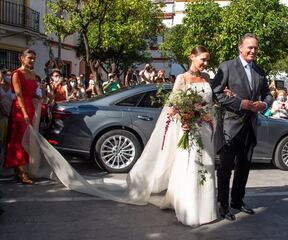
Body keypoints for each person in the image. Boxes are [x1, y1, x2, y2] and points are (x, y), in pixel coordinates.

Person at [22, 45, 223, 227]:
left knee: (205, 166)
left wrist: (209, 113)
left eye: (207, 60)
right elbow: (172, 106)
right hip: (188, 129)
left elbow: (209, 104)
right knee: (189, 166)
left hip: (204, 129)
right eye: (202, 59)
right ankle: (190, 209)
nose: (205, 63)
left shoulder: (206, 79)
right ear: (192, 57)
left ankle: (205, 209)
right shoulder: (182, 79)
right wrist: (184, 119)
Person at [211, 33, 273, 221]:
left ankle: (237, 201)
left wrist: (264, 104)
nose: (253, 51)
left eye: (255, 48)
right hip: (230, 126)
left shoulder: (260, 70)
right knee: (225, 167)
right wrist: (240, 104)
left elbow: (268, 94)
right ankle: (223, 204)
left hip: (251, 126)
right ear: (240, 47)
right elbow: (215, 93)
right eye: (249, 47)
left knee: (244, 167)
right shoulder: (227, 66)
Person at [3, 49, 39, 184]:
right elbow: (18, 95)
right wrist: (24, 113)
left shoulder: (33, 73)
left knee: (28, 140)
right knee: (19, 139)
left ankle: (22, 168)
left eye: (34, 58)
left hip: (31, 108)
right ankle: (22, 172)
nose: (32, 60)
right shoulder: (16, 74)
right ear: (22, 58)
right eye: (30, 58)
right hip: (20, 109)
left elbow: (33, 92)